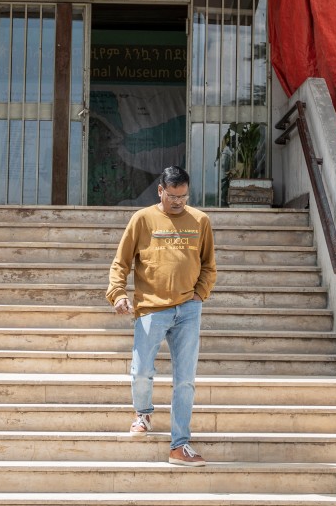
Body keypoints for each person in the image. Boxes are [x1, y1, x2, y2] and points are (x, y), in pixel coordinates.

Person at [106, 166, 217, 467]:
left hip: (188, 310)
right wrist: (117, 294)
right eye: (172, 196)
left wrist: (200, 294)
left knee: (185, 380)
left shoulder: (200, 221)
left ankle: (179, 446)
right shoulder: (142, 220)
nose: (178, 202)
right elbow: (121, 262)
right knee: (141, 370)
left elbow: (208, 265)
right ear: (160, 191)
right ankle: (143, 414)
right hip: (151, 309)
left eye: (183, 196)